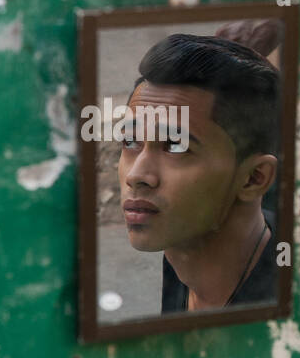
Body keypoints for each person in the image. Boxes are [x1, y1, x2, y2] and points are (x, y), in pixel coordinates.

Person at [116, 33, 281, 313]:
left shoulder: (288, 310)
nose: (137, 175)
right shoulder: (181, 246)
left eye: (176, 146)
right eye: (130, 142)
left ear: (255, 178)